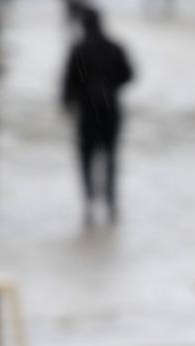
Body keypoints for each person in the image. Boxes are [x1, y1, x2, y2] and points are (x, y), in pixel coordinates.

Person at [61, 6, 133, 224]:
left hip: (87, 112)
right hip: (111, 108)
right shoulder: (114, 47)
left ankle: (89, 200)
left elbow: (68, 82)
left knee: (87, 157)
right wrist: (110, 87)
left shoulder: (79, 49)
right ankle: (110, 201)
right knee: (110, 155)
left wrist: (67, 103)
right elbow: (129, 74)